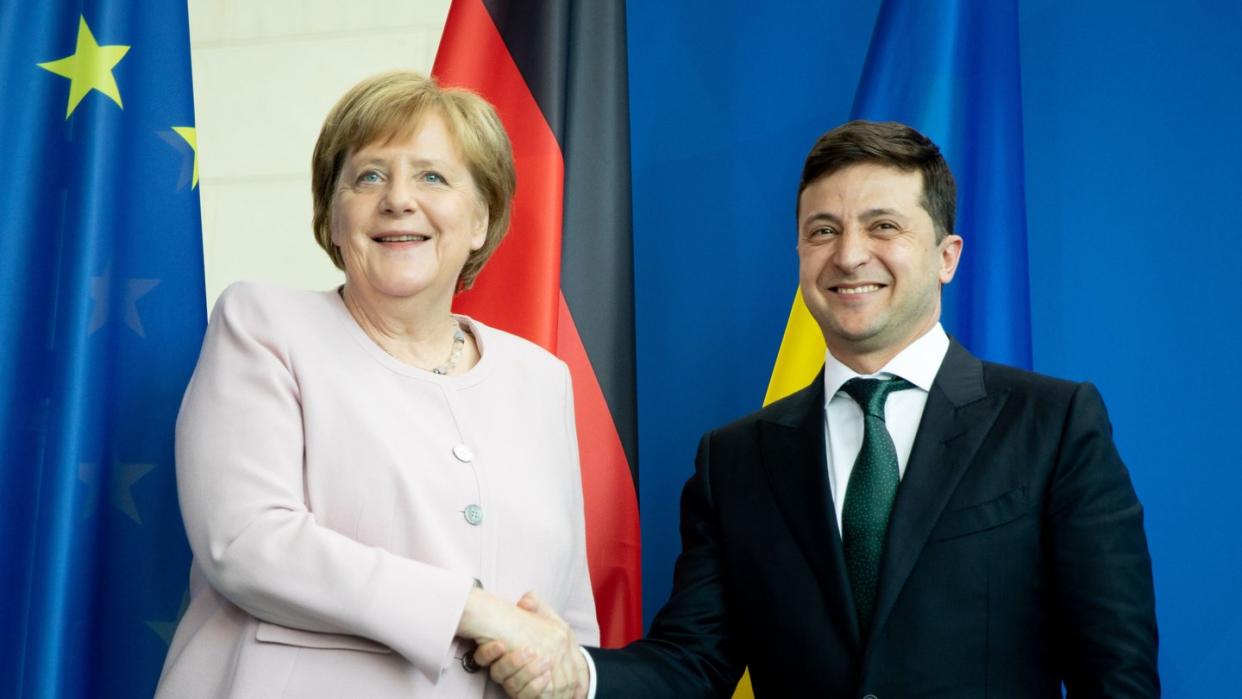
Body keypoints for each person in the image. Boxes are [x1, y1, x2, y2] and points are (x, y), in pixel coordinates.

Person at [481, 120, 1159, 697]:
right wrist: (575, 671)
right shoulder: (736, 459)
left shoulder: (1054, 423)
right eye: (823, 229)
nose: (850, 253)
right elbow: (691, 662)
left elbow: (1116, 674)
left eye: (883, 225)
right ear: (801, 253)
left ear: (947, 256)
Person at [155, 71, 596, 698]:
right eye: (368, 176)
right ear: (332, 219)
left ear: (481, 221)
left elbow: (566, 617)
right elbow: (248, 541)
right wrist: (473, 610)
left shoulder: (542, 380)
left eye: (433, 176)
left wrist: (571, 672)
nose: (398, 199)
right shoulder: (262, 325)